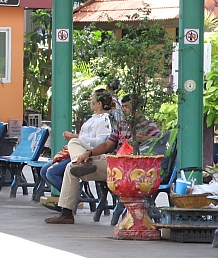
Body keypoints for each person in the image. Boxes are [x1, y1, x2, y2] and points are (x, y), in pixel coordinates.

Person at [45, 96, 162, 224]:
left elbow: (159, 146)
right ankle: (80, 165)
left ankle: (66, 213)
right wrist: (89, 153)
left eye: (127, 107)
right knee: (74, 143)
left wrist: (142, 139)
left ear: (137, 108)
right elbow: (107, 145)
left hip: (129, 167)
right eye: (123, 107)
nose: (125, 110)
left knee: (70, 169)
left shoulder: (149, 127)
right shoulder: (121, 125)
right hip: (110, 162)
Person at [42, 89, 114, 193]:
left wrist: (76, 138)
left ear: (99, 104)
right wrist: (76, 137)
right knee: (44, 171)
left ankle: (72, 198)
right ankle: (77, 196)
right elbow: (84, 136)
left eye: (92, 99)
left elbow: (100, 142)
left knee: (52, 173)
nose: (90, 102)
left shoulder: (105, 120)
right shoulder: (93, 118)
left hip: (87, 153)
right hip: (76, 151)